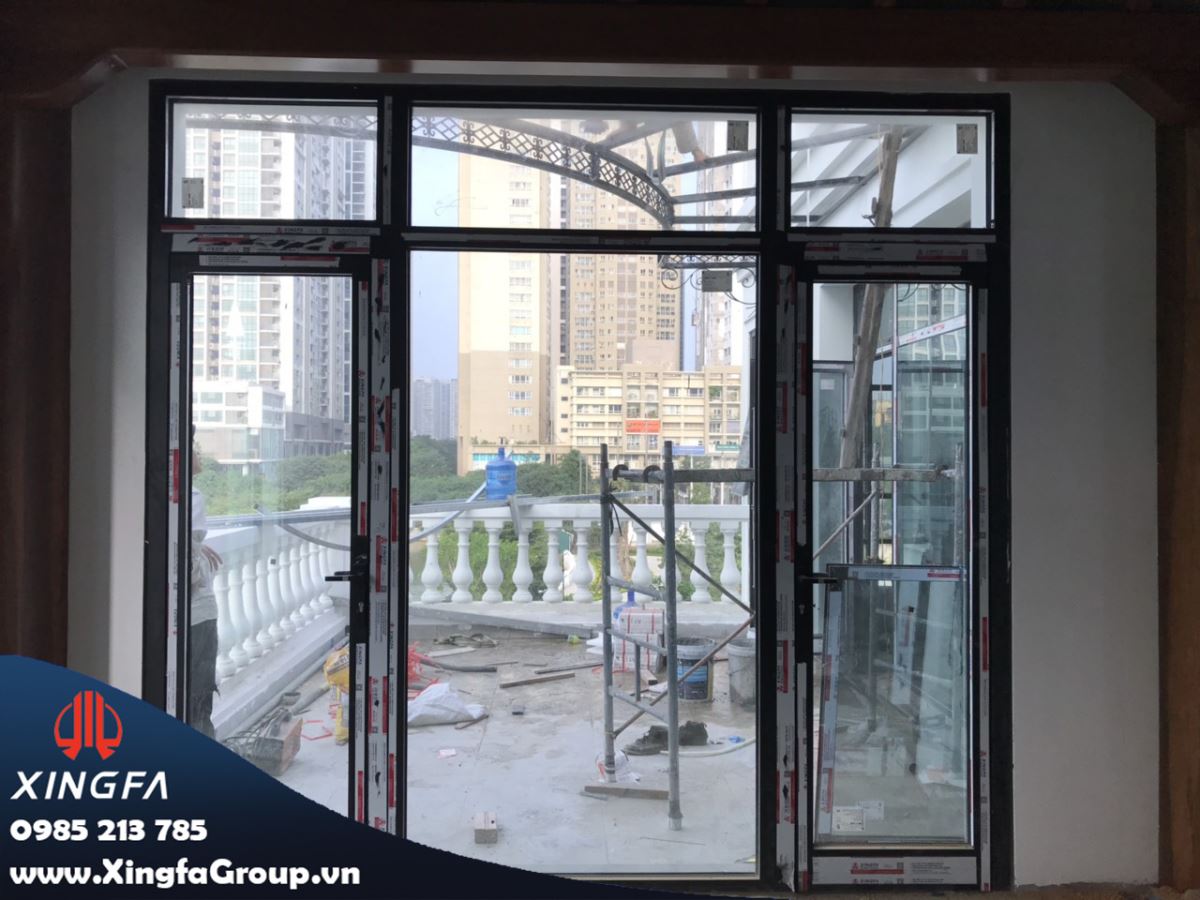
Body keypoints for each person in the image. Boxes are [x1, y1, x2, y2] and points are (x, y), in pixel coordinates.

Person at [189, 425, 221, 738]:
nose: (197, 453)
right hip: (196, 615)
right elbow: (185, 568)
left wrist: (196, 546)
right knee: (198, 700)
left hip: (189, 616)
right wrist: (195, 551)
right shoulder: (192, 496)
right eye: (193, 446)